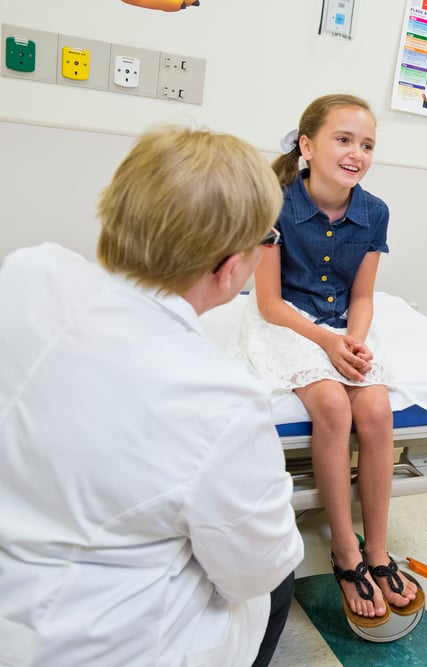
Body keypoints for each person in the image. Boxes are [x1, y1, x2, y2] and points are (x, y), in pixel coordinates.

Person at [0, 126, 303, 665]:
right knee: (278, 583)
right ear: (231, 266)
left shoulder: (27, 271)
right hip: (100, 646)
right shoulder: (221, 399)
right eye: (267, 240)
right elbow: (256, 568)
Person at [231, 94, 422, 629]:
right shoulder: (275, 201)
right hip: (287, 320)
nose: (356, 153)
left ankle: (378, 552)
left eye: (366, 144)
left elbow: (362, 296)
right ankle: (345, 552)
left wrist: (353, 342)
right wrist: (326, 345)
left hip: (344, 324)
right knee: (334, 409)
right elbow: (267, 303)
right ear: (307, 146)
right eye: (343, 140)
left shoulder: (374, 212)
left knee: (378, 412)